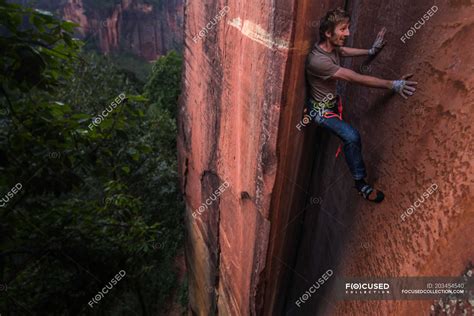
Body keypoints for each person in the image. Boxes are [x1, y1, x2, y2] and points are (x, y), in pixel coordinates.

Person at [305, 7, 417, 203]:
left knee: (348, 134)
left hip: (330, 103)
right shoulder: (317, 61)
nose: (347, 33)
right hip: (321, 112)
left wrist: (371, 51)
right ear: (328, 33)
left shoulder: (329, 47)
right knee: (351, 136)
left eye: (348, 28)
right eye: (343, 29)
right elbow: (355, 78)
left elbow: (343, 51)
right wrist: (393, 84)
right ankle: (360, 185)